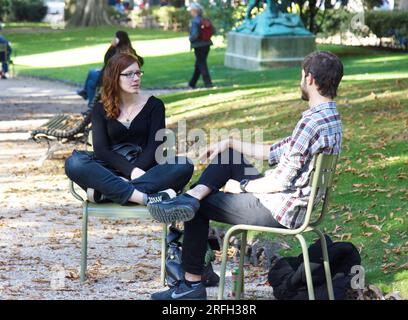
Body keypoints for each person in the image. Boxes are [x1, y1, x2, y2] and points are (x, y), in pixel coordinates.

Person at [147, 51, 344, 300]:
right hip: (294, 204)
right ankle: (190, 199)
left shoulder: (311, 123)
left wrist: (242, 186)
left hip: (280, 209)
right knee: (229, 157)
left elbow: (280, 181)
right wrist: (230, 142)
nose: (300, 83)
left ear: (310, 78)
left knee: (199, 206)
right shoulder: (329, 118)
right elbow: (274, 152)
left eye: (301, 77)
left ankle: (191, 285)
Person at [65, 53, 194, 207]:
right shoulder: (100, 108)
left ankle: (107, 193)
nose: (136, 78)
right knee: (74, 163)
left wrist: (135, 173)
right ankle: (145, 197)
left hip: (146, 171)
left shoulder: (155, 106)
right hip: (109, 171)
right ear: (114, 77)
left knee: (184, 164)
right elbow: (101, 150)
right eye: (129, 74)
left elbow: (154, 147)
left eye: (138, 73)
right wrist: (130, 171)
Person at [77, 31, 144, 105]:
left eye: (115, 37)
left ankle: (88, 98)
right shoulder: (130, 50)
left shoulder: (115, 50)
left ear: (117, 39)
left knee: (91, 76)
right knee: (90, 81)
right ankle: (87, 97)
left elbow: (106, 60)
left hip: (109, 77)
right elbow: (141, 61)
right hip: (109, 74)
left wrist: (112, 46)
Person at [187, 2, 213, 89]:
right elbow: (213, 31)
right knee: (198, 63)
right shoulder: (204, 19)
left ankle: (208, 83)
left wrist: (190, 39)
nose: (190, 12)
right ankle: (192, 83)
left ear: (194, 11)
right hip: (207, 44)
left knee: (201, 63)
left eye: (191, 10)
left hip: (198, 45)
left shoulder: (195, 21)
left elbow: (195, 34)